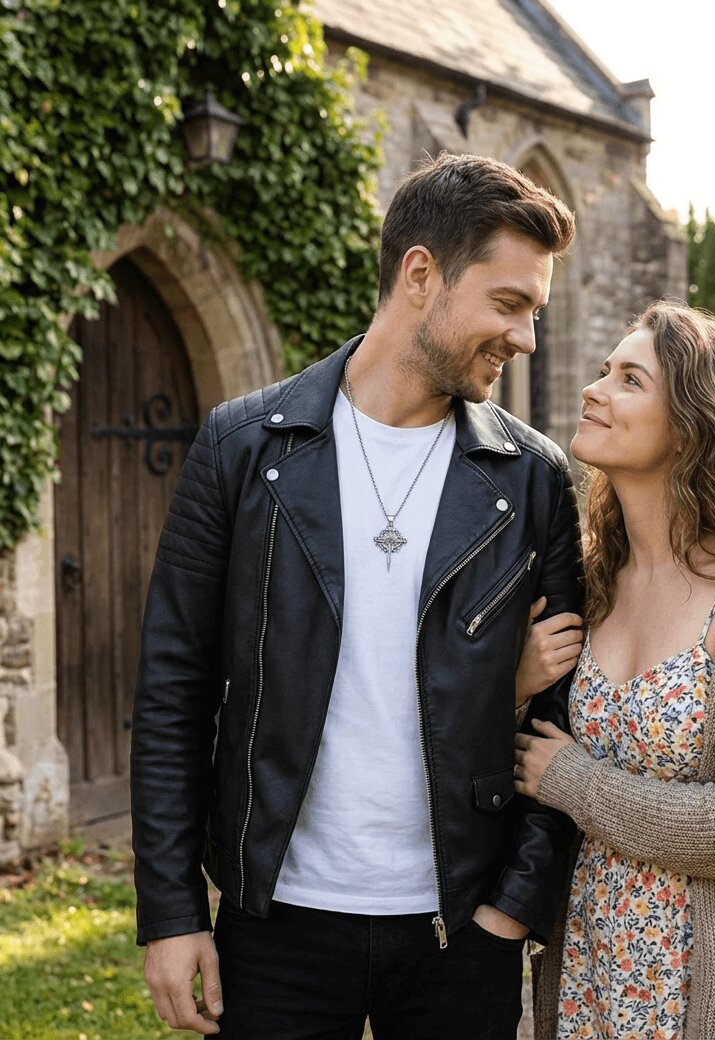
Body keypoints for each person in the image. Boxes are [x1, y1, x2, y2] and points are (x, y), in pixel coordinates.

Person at [130, 152, 586, 1040]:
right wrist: (173, 911)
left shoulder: (533, 480)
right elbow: (171, 693)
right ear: (421, 275)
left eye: (537, 312)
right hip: (276, 928)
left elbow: (565, 719)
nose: (527, 338)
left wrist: (509, 916)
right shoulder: (240, 449)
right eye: (509, 304)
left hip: (462, 930)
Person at [513, 301, 715, 1040]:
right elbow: (519, 756)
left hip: (712, 999)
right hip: (587, 990)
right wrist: (513, 690)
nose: (595, 389)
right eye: (603, 372)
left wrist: (575, 782)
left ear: (698, 422)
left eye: (630, 379)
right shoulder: (590, 577)